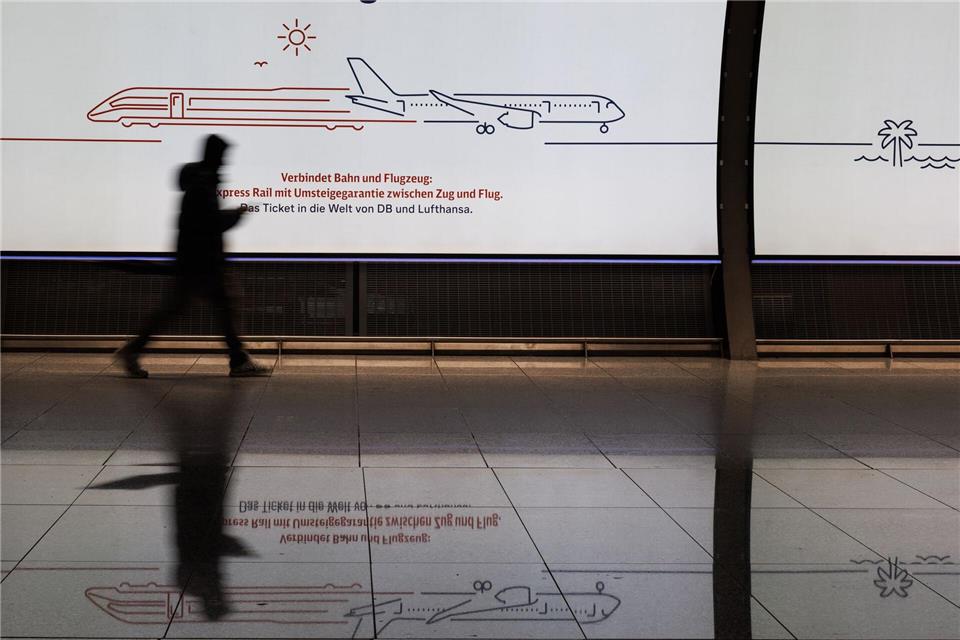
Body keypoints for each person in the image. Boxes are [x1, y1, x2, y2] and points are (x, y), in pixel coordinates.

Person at [117, 135, 270, 378]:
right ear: (215, 155)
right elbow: (210, 223)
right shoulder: (202, 186)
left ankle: (134, 350)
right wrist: (236, 215)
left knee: (188, 308)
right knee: (219, 308)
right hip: (202, 261)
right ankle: (238, 360)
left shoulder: (199, 183)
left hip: (196, 259)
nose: (225, 161)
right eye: (222, 156)